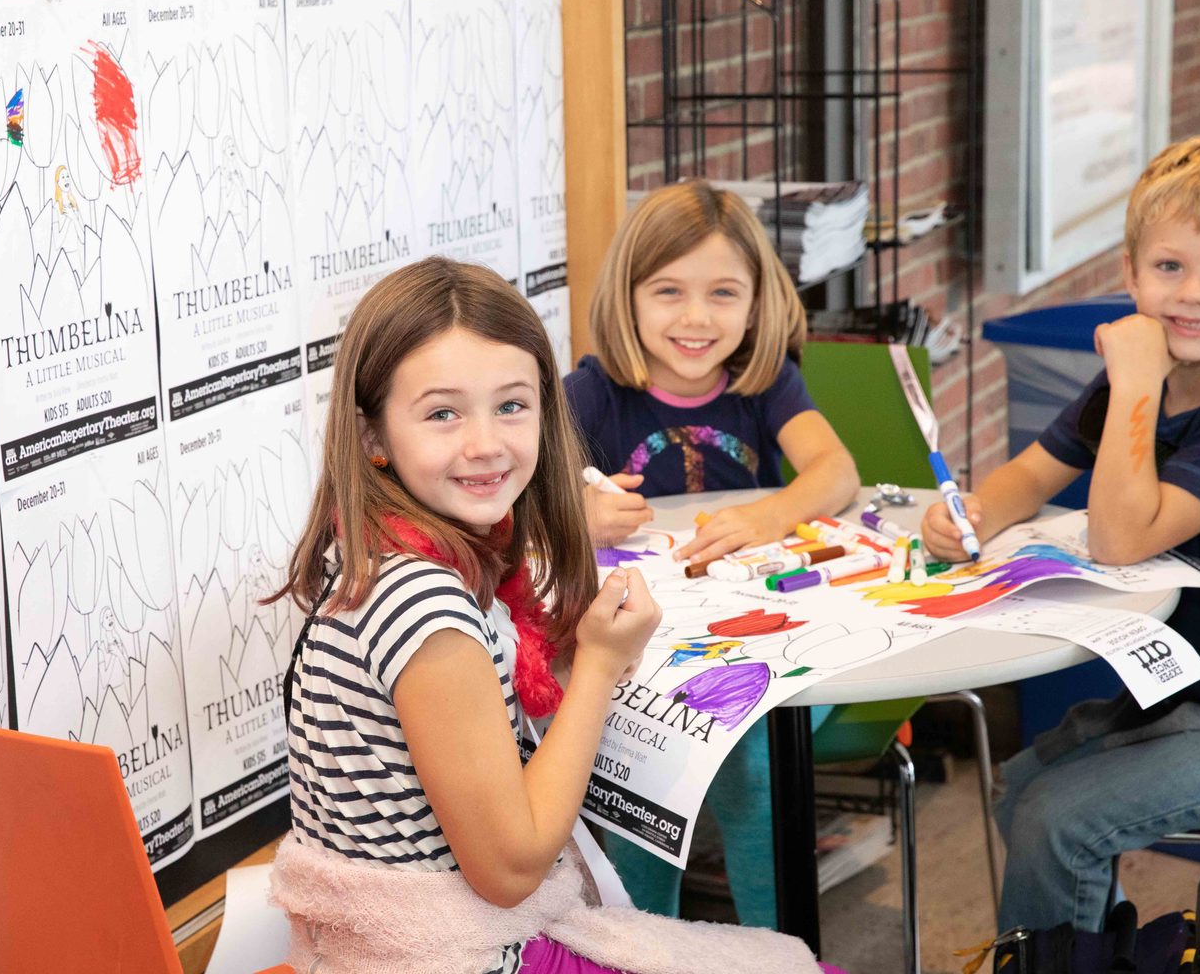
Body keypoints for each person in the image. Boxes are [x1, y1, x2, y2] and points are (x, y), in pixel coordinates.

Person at [271, 257, 831, 974]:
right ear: (372, 437)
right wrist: (596, 667)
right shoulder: (425, 605)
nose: (485, 443)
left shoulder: (378, 558)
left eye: (511, 406)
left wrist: (571, 666)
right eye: (442, 414)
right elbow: (510, 869)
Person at [921, 131, 1200, 932]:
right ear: (1130, 274)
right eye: (1169, 266)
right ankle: (1096, 951)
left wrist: (1137, 378)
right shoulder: (1130, 386)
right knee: (1023, 789)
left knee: (1058, 822)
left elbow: (1119, 540)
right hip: (1198, 692)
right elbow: (1030, 475)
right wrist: (970, 514)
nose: (1192, 295)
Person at [565, 180, 859, 928]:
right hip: (648, 664)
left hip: (776, 654)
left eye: (723, 293)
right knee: (645, 770)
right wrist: (578, 512)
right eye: (668, 291)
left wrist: (770, 512)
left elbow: (836, 472)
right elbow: (521, 500)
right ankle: (644, 952)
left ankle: (780, 954)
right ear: (627, 297)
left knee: (751, 769)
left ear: (757, 302)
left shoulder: (767, 383)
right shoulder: (593, 394)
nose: (696, 318)